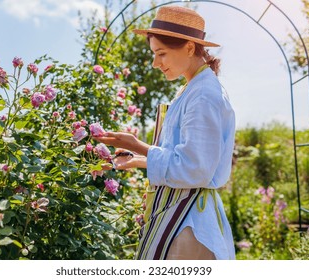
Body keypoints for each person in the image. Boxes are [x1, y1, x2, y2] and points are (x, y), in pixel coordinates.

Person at [94, 5, 236, 260]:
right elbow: (183, 157)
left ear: (190, 47)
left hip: (188, 225)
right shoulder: (193, 89)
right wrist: (139, 160)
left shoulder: (203, 94)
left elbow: (195, 168)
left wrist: (138, 145)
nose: (155, 63)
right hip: (184, 219)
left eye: (161, 53)